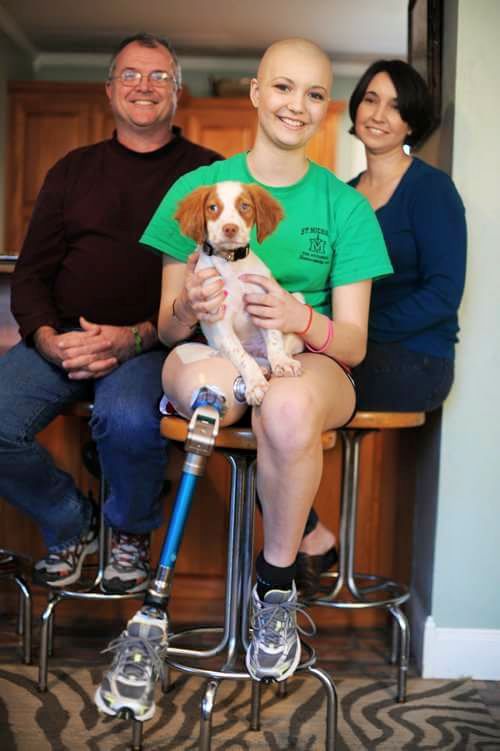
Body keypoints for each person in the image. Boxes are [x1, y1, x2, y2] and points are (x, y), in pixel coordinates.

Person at [95, 37, 391, 720]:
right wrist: (187, 306)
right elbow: (169, 329)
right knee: (207, 390)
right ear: (256, 92)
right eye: (283, 87)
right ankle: (153, 613)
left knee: (283, 407)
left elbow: (353, 341)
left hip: (310, 360)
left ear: (326, 108)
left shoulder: (344, 207)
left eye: (314, 94)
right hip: (219, 355)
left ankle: (275, 590)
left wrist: (296, 315)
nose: (296, 105)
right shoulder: (197, 190)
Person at [0, 33, 220, 594]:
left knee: (125, 420)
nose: (144, 86)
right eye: (130, 74)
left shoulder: (207, 174)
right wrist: (47, 338)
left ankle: (129, 533)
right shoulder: (71, 170)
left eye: (159, 76)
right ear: (109, 89)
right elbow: (31, 275)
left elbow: (217, 283)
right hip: (64, 340)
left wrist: (135, 338)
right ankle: (74, 522)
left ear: (177, 92)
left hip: (159, 346)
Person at [295, 59, 467, 596]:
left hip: (415, 362)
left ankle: (306, 543)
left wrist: (351, 334)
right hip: (348, 351)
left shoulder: (432, 191)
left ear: (412, 121)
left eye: (395, 106)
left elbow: (443, 294)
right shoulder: (342, 195)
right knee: (260, 388)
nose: (378, 114)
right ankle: (311, 535)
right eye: (370, 99)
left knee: (284, 396)